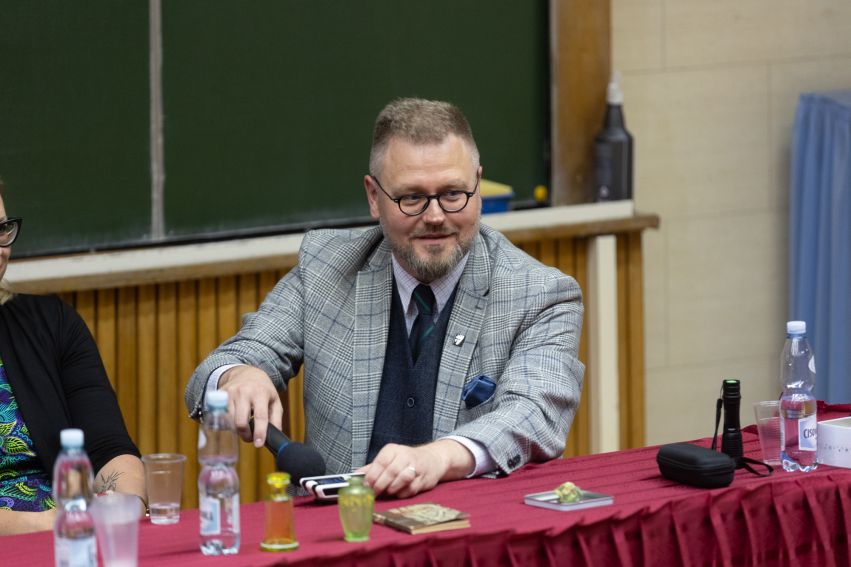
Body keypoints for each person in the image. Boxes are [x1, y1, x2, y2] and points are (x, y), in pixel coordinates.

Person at [185, 98, 584, 498]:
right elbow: (215, 370)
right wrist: (238, 375)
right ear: (374, 197)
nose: (435, 216)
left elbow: (534, 412)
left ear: (478, 187)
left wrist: (439, 458)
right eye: (412, 198)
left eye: (453, 194)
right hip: (339, 538)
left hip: (466, 537)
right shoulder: (327, 268)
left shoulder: (541, 294)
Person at [0, 185, 145, 534]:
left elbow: (108, 446)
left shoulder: (53, 323)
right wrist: (49, 524)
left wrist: (124, 508)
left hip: (73, 534)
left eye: (2, 230)